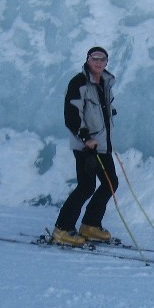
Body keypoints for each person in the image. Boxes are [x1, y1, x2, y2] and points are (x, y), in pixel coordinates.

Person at [52, 46, 119, 246]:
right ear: (88, 60)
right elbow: (72, 114)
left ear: (106, 62)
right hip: (86, 145)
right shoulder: (79, 82)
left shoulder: (105, 82)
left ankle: (90, 225)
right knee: (86, 186)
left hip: (102, 144)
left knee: (110, 183)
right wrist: (85, 138)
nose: (98, 62)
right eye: (94, 58)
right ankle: (62, 228)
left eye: (102, 59)